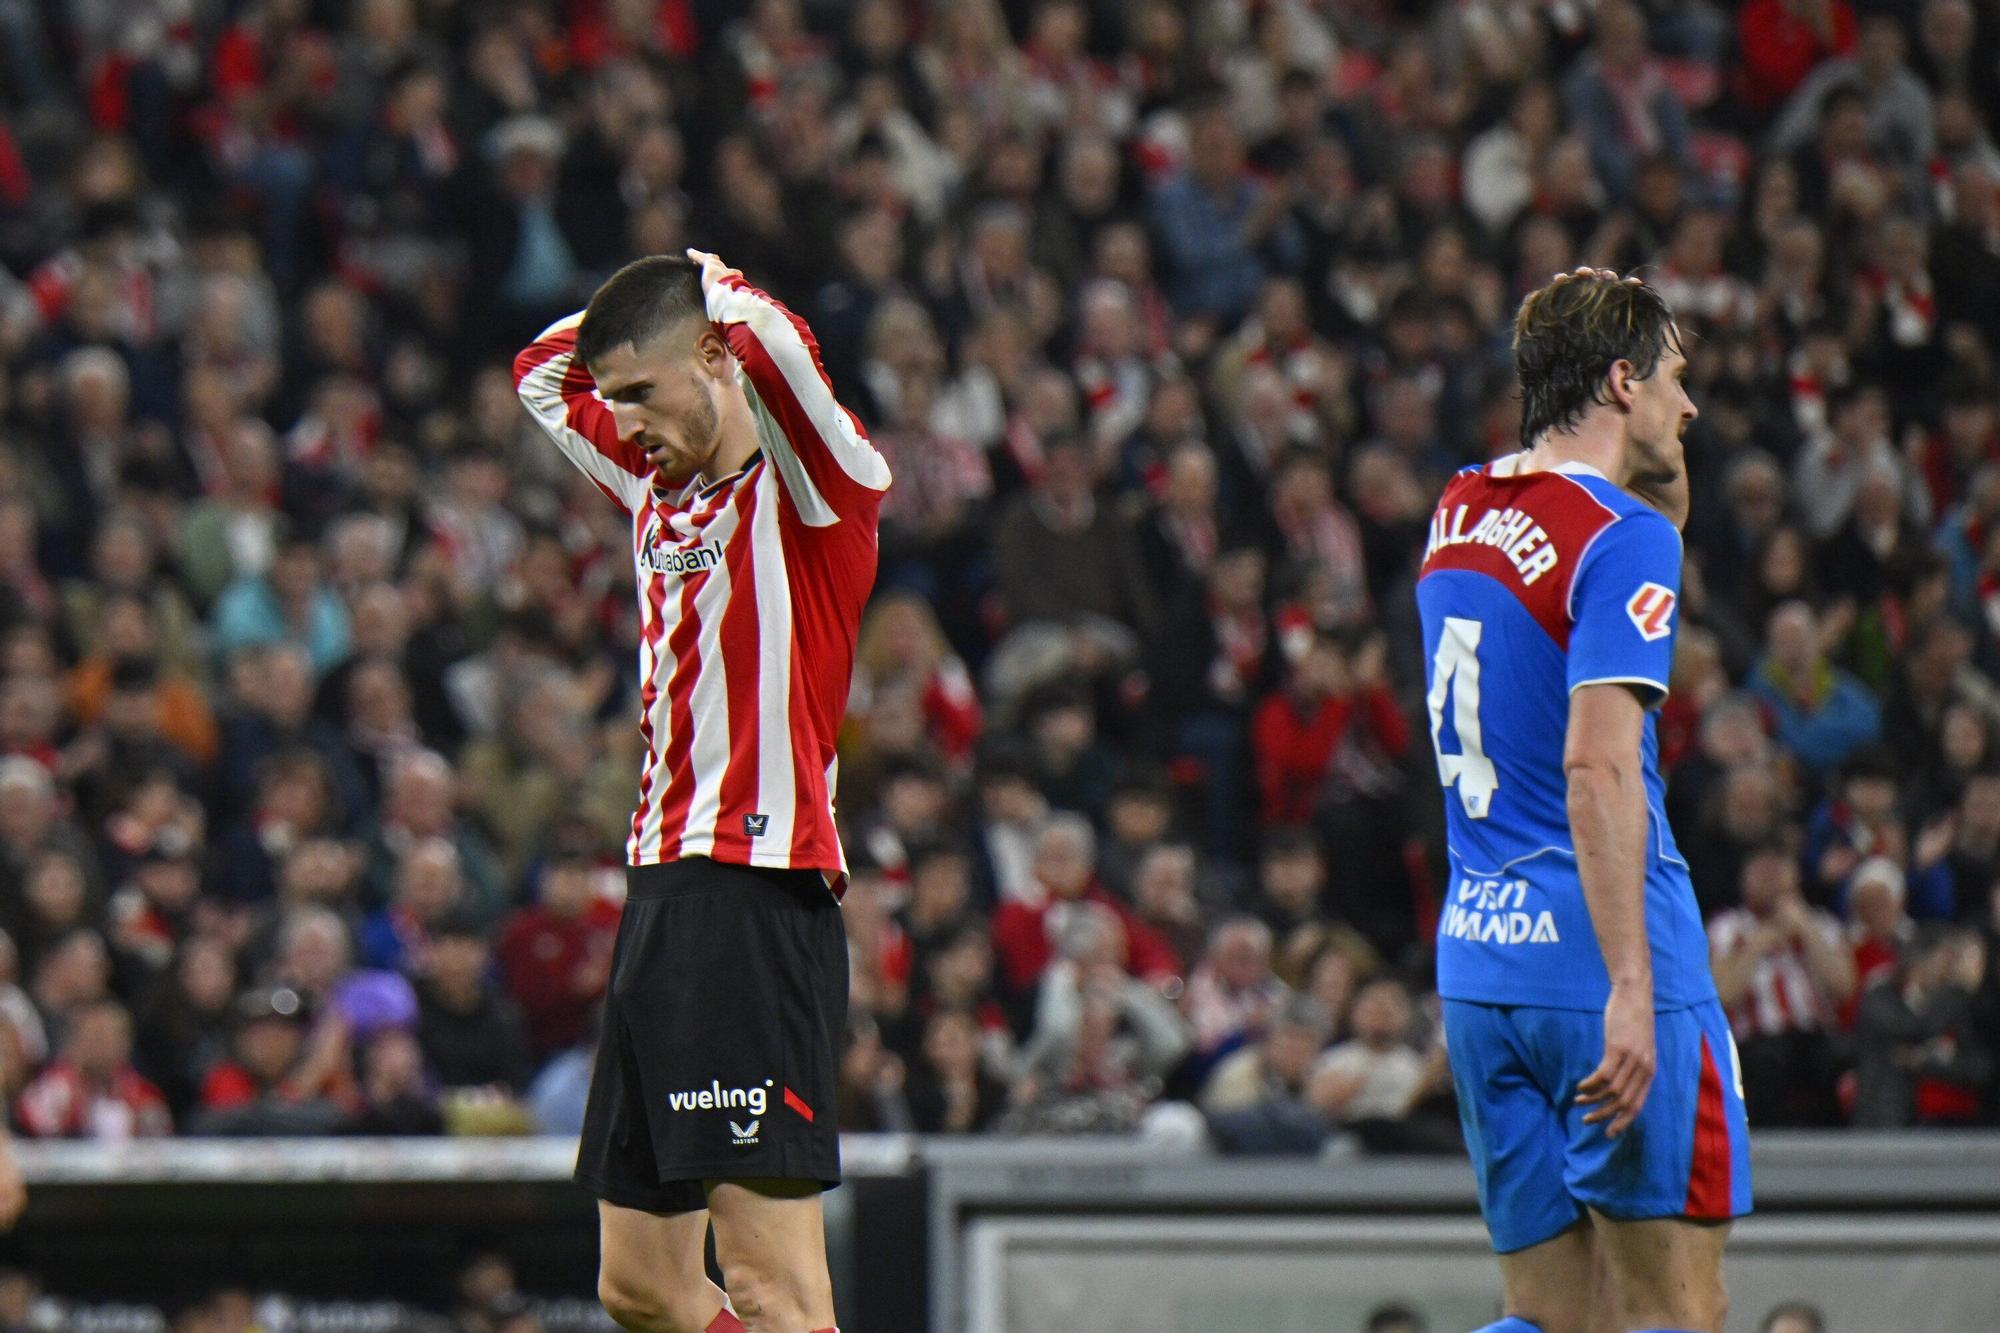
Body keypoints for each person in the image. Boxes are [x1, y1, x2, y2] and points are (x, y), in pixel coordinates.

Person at [513, 249, 888, 1333]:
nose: (621, 419)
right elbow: (540, 369)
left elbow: (778, 349)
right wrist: (657, 306)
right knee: (641, 1287)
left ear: (719, 360)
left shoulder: (818, 491)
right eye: (616, 396)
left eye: (641, 391)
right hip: (661, 894)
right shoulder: (653, 484)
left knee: (774, 1286)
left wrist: (709, 278)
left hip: (754, 893)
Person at [1416, 269, 1747, 1333]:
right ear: (1620, 381)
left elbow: (1644, 517)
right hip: (1599, 959)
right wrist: (1631, 985)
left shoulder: (1458, 506)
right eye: (1673, 379)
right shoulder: (1619, 537)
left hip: (1481, 964)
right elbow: (1596, 768)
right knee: (1672, 1313)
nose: (1687, 406)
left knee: (1552, 1318)